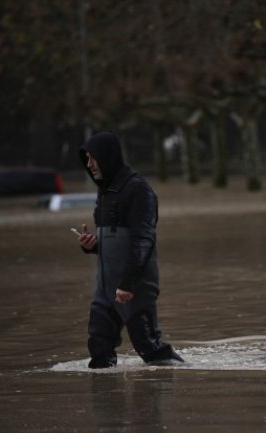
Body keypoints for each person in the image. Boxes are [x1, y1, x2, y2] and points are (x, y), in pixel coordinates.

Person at [77, 131, 184, 368]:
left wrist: (127, 284)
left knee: (153, 353)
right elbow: (113, 242)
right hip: (105, 291)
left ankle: (179, 383)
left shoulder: (138, 190)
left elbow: (143, 241)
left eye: (93, 158)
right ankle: (106, 401)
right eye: (86, 159)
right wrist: (93, 245)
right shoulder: (104, 192)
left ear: (107, 157)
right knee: (99, 349)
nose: (89, 164)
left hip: (134, 288)